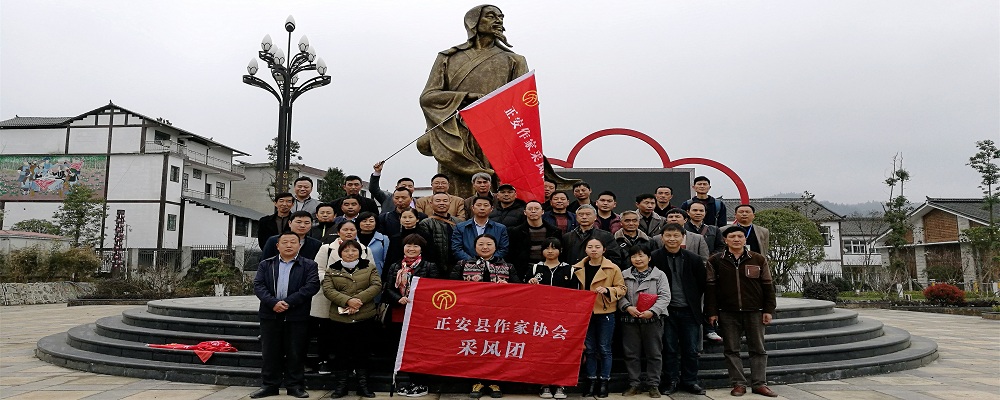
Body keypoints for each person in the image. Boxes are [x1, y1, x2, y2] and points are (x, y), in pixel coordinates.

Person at [418, 4, 528, 196]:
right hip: (456, 135)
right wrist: (467, 97)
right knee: (453, 194)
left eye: (500, 17)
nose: (498, 21)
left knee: (493, 190)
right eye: (491, 16)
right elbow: (428, 97)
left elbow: (523, 103)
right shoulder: (448, 57)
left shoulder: (515, 60)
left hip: (495, 133)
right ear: (473, 22)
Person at [706, 226, 778, 398]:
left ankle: (759, 383)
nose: (736, 239)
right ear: (725, 240)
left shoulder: (758, 259)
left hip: (754, 311)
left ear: (745, 239)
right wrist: (712, 311)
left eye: (740, 236)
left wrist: (769, 309)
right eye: (732, 236)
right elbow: (710, 288)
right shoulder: (715, 260)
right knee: (731, 349)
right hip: (727, 312)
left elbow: (768, 285)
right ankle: (738, 383)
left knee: (758, 349)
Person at [251, 232, 320, 399]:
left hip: (297, 315)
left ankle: (295, 386)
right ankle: (269, 385)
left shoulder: (309, 265)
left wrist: (288, 302)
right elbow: (258, 285)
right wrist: (273, 302)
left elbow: (311, 286)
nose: (289, 245)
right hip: (270, 314)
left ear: (299, 245)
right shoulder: (266, 264)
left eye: (293, 242)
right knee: (270, 352)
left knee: (296, 352)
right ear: (277, 246)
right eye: (285, 242)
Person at [451, 234, 520, 398]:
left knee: (496, 348)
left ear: (496, 247)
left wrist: (509, 286)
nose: (485, 247)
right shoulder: (463, 264)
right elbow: (451, 287)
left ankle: (495, 382)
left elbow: (520, 289)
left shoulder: (507, 266)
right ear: (474, 247)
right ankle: (477, 382)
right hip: (472, 315)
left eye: (489, 244)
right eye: (481, 244)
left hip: (500, 317)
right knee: (475, 348)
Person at [310, 220, 377, 374]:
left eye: (352, 230)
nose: (349, 232)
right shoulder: (327, 248)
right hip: (329, 295)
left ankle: (352, 365)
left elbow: (371, 272)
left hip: (356, 297)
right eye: (345, 230)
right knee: (326, 331)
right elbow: (318, 269)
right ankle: (324, 360)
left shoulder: (364, 249)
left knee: (352, 334)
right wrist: (333, 282)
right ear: (338, 232)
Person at [650, 223, 707, 396]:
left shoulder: (693, 258)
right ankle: (670, 381)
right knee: (669, 349)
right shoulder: (654, 257)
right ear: (662, 238)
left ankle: (690, 381)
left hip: (689, 310)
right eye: (668, 235)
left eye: (676, 235)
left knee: (691, 349)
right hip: (666, 311)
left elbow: (702, 284)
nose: (672, 239)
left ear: (683, 237)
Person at [322, 240, 382, 398]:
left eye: (354, 250)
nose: (350, 253)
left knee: (363, 352)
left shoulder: (369, 267)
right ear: (340, 253)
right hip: (339, 319)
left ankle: (363, 386)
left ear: (360, 253)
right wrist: (348, 301)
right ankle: (341, 387)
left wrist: (358, 300)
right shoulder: (332, 269)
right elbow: (328, 290)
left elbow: (376, 285)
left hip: (364, 316)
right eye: (346, 250)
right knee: (340, 353)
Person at [382, 234, 439, 397]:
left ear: (421, 249)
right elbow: (388, 288)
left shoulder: (429, 266)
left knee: (418, 348)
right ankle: (407, 381)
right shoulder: (395, 266)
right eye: (408, 245)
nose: (411, 249)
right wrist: (398, 298)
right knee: (400, 347)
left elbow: (434, 290)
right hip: (399, 311)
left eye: (415, 246)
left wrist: (416, 299)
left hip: (420, 314)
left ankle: (420, 382)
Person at [573, 238, 626, 398]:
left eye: (597, 247)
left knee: (604, 348)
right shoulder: (576, 268)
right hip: (585, 314)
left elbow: (622, 288)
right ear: (585, 250)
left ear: (604, 249)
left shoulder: (612, 268)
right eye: (590, 247)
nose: (594, 249)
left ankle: (604, 381)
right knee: (589, 349)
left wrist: (608, 290)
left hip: (605, 312)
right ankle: (591, 380)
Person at [619, 246, 671, 398]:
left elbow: (665, 296)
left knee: (654, 353)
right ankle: (634, 384)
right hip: (630, 319)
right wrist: (627, 307)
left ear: (649, 258)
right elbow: (618, 294)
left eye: (641, 256)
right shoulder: (623, 274)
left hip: (653, 320)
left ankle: (653, 385)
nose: (638, 259)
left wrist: (653, 311)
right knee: (631, 353)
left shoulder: (659, 275)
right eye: (634, 256)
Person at [525, 238, 574, 400]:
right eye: (547, 248)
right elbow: (524, 293)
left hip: (562, 318)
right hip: (540, 318)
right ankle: (544, 383)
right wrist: (530, 284)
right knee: (542, 350)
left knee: (561, 351)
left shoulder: (569, 270)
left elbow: (576, 296)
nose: (550, 251)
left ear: (561, 251)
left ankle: (560, 384)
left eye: (554, 248)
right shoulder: (535, 268)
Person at [508, 200, 561, 278]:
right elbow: (512, 254)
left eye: (536, 209)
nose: (533, 211)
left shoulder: (554, 231)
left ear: (542, 212)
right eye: (530, 209)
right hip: (524, 270)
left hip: (548, 269)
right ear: (525, 212)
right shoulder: (515, 232)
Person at [452, 197, 510, 263]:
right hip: (467, 265)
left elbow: (503, 249)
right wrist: (473, 261)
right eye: (479, 205)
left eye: (486, 205)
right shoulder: (460, 227)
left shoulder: (500, 228)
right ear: (472, 207)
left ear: (491, 209)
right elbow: (457, 248)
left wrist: (489, 261)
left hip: (493, 265)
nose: (482, 208)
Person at [416, 192, 461, 275]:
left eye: (445, 201)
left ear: (450, 203)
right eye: (438, 201)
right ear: (431, 203)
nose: (442, 203)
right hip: (434, 266)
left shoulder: (458, 222)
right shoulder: (425, 223)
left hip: (455, 265)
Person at [357, 211, 390, 277]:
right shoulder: (353, 239)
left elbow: (386, 259)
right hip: (356, 273)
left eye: (371, 221)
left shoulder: (383, 239)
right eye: (364, 221)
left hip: (377, 273)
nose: (368, 223)